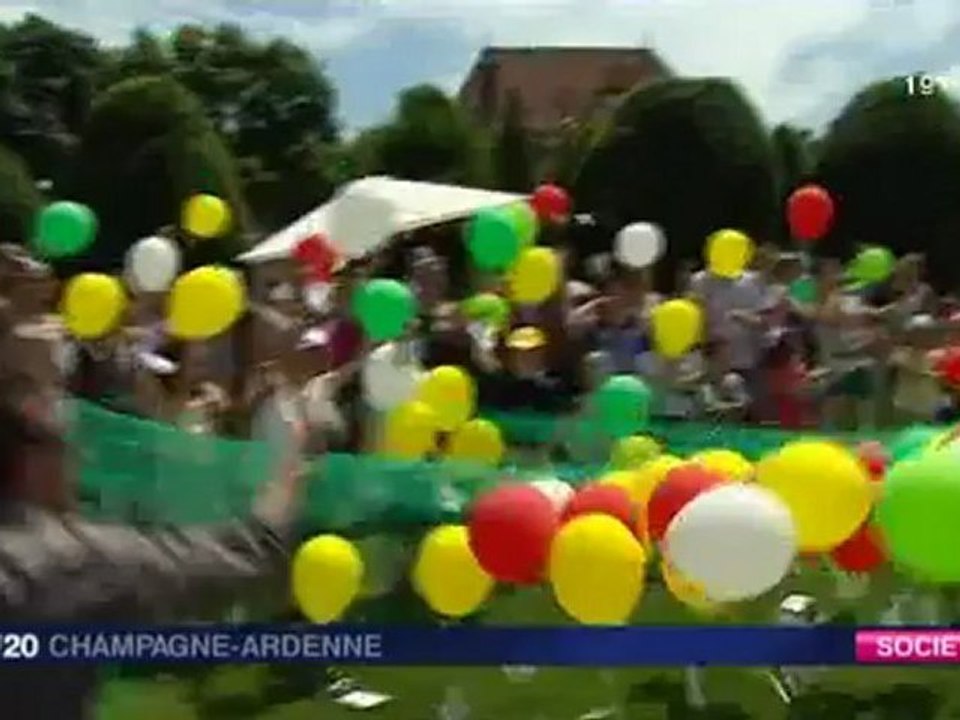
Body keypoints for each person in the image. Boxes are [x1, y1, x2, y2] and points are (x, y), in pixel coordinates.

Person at [0, 370, 307, 719]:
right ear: (32, 460)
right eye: (65, 444)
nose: (79, 459)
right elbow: (229, 564)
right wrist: (280, 496)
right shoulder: (67, 561)